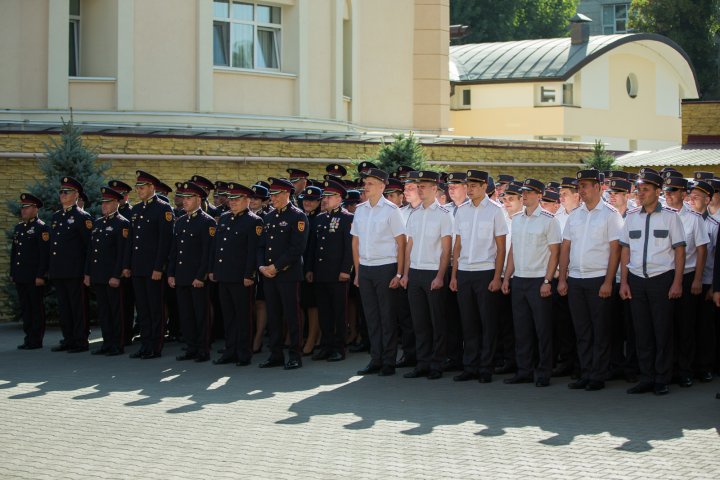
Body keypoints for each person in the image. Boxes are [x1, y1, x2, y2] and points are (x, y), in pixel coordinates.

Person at [619, 170, 686, 396]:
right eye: (639, 189)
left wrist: (677, 283)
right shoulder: (631, 217)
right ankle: (646, 378)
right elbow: (625, 249)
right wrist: (624, 282)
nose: (640, 193)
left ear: (658, 191)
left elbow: (679, 251)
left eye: (646, 189)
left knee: (662, 331)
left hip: (662, 280)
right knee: (642, 332)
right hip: (637, 280)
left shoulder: (670, 217)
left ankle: (662, 378)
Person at [557, 169, 623, 391]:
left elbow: (615, 250)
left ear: (598, 187)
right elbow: (566, 247)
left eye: (585, 186)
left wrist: (608, 281)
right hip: (576, 279)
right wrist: (563, 278)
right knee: (582, 330)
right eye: (580, 186)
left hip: (598, 280)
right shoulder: (575, 215)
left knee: (600, 330)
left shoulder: (610, 214)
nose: (581, 191)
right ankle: (586, 372)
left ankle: (598, 374)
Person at [502, 178, 561, 387]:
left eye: (529, 192)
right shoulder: (517, 219)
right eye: (523, 192)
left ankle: (544, 371)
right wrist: (507, 277)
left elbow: (555, 253)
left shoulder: (549, 220)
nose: (524, 195)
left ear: (539, 195)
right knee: (522, 329)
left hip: (539, 280)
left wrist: (547, 280)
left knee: (542, 329)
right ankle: (524, 370)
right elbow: (513, 251)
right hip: (520, 279)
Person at [449, 170, 508, 383]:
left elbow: (501, 248)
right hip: (465, 271)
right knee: (468, 322)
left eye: (474, 185)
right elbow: (458, 246)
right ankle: (470, 366)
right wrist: (454, 275)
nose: (470, 188)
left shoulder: (495, 211)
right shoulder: (461, 210)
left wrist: (497, 277)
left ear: (485, 186)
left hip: (485, 272)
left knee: (487, 323)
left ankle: (486, 367)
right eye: (469, 185)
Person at [352, 167, 406, 376]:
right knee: (371, 317)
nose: (366, 187)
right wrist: (358, 272)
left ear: (382, 186)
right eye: (365, 183)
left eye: (370, 183)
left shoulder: (392, 210)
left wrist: (399, 273)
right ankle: (375, 358)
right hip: (366, 268)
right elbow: (355, 243)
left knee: (387, 317)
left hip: (386, 268)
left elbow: (401, 243)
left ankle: (388, 361)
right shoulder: (361, 210)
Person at [399, 170, 453, 380]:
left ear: (434, 189)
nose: (419, 189)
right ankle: (422, 363)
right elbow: (409, 246)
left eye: (423, 186)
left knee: (437, 322)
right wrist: (405, 274)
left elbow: (446, 249)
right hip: (415, 273)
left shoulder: (444, 215)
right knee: (419, 322)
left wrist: (440, 276)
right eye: (418, 186)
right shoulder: (415, 213)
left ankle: (436, 364)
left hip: (433, 273)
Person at [257, 177, 309, 370]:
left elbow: (297, 248)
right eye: (271, 194)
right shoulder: (269, 217)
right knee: (273, 315)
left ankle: (295, 355)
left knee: (291, 315)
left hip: (287, 274)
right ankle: (275, 354)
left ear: (287, 194)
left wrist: (275, 267)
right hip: (269, 275)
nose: (273, 198)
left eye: (276, 194)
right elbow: (261, 246)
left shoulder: (297, 217)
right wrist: (262, 266)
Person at [662, 174, 709, 388]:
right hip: (665, 275)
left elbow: (701, 250)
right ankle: (668, 368)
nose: (668, 195)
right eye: (666, 191)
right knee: (666, 325)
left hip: (688, 275)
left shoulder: (693, 217)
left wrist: (698, 279)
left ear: (683, 193)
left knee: (686, 326)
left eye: (673, 191)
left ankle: (685, 370)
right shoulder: (660, 215)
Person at [209, 183, 263, 366]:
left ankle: (243, 353)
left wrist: (250, 274)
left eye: (237, 199)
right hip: (224, 275)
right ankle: (229, 351)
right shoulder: (224, 218)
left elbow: (252, 252)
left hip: (241, 278)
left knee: (243, 317)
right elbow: (217, 248)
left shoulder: (254, 221)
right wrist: (214, 270)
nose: (233, 202)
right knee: (228, 316)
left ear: (247, 200)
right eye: (231, 199)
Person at [306, 179, 354, 362]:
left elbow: (350, 248)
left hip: (337, 274)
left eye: (329, 196)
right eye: (324, 196)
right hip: (321, 273)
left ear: (339, 198)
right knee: (324, 311)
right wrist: (310, 268)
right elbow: (313, 247)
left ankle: (339, 347)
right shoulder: (319, 218)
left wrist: (345, 270)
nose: (325, 199)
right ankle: (326, 345)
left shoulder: (347, 218)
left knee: (339, 312)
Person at [168, 182, 216, 362]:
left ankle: (203, 349)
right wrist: (171, 273)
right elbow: (174, 250)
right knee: (186, 315)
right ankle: (191, 347)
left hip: (197, 278)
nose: (184, 201)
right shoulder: (180, 221)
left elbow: (207, 253)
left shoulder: (207, 222)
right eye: (183, 198)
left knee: (200, 314)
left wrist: (201, 276)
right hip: (181, 276)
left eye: (189, 198)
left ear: (198, 199)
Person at [129, 170, 174, 359]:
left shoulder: (163, 209)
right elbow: (133, 241)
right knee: (143, 308)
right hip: (138, 267)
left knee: (155, 308)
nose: (139, 190)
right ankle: (145, 344)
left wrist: (158, 267)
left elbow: (165, 242)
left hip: (153, 269)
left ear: (152, 188)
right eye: (137, 187)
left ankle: (155, 346)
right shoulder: (137, 209)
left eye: (142, 187)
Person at [84, 187, 131, 356]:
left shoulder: (122, 223)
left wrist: (116, 275)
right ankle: (107, 342)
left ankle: (117, 344)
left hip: (112, 276)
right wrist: (88, 273)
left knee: (116, 311)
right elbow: (91, 251)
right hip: (98, 275)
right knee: (104, 312)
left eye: (108, 202)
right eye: (102, 202)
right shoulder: (98, 223)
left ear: (116, 203)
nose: (104, 206)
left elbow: (122, 252)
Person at [49, 177, 93, 353]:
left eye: (66, 192)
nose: (62, 195)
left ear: (76, 195)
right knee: (64, 307)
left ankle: (80, 340)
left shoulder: (82, 217)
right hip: (59, 271)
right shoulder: (56, 217)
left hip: (76, 271)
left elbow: (89, 248)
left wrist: (87, 272)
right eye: (61, 192)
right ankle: (68, 338)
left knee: (78, 307)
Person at [606, 179, 639, 382]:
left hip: (630, 277)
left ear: (627, 195)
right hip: (611, 277)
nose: (612, 195)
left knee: (632, 325)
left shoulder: (634, 216)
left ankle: (632, 367)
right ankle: (616, 364)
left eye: (617, 192)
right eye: (610, 192)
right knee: (613, 325)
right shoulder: (608, 215)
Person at [686, 179, 718, 382]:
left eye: (697, 197)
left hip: (707, 280)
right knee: (689, 325)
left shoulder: (714, 223)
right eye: (691, 196)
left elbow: (716, 258)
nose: (692, 199)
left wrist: (714, 285)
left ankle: (705, 366)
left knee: (705, 327)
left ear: (708, 199)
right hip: (688, 278)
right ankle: (688, 365)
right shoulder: (685, 219)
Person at [11, 193, 49, 350]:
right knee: (26, 308)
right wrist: (13, 273)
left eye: (27, 207)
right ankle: (28, 337)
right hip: (21, 276)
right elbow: (15, 253)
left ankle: (36, 339)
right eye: (22, 207)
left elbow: (44, 255)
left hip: (34, 277)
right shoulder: (19, 228)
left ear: (35, 209)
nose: (23, 210)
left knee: (35, 308)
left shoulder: (41, 228)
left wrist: (41, 275)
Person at [109, 180, 137, 346]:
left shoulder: (131, 214)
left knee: (126, 303)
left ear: (125, 196)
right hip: (113, 265)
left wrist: (126, 265)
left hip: (127, 265)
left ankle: (126, 334)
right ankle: (117, 334)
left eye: (118, 194)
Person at [299, 185, 324, 355]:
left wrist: (309, 268)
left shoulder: (319, 219)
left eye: (312, 200)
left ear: (319, 202)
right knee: (304, 304)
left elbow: (315, 248)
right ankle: (311, 336)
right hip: (299, 266)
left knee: (313, 305)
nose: (308, 203)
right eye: (306, 200)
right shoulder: (302, 217)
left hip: (313, 267)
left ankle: (313, 337)